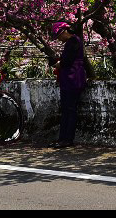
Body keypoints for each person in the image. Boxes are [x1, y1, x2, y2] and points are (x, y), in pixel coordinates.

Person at [48, 21, 87, 149]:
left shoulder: (74, 41)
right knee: (66, 109)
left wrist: (58, 64)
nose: (59, 39)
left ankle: (67, 139)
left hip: (73, 78)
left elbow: (67, 61)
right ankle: (63, 138)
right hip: (70, 79)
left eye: (59, 36)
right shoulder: (73, 41)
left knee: (69, 110)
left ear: (64, 32)